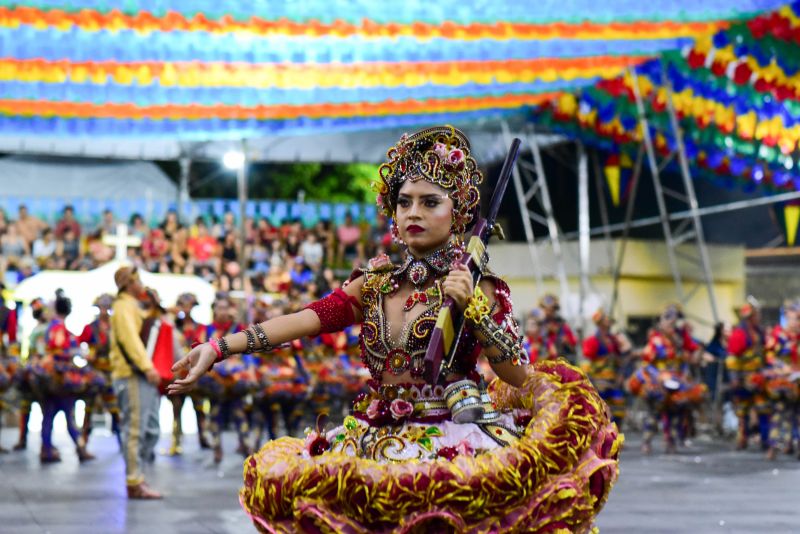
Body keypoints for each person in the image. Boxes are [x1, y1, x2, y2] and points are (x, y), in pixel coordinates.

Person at [170, 126, 620, 532]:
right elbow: (306, 320)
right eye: (404, 201)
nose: (413, 213)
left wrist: (475, 309)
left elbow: (518, 376)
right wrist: (218, 347)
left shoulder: (480, 285)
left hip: (456, 440)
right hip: (372, 438)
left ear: (458, 213)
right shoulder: (376, 282)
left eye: (430, 202)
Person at [110, 266, 162, 499]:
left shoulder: (133, 307)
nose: (141, 284)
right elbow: (130, 340)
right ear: (129, 284)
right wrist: (147, 367)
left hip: (139, 375)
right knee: (135, 430)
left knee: (149, 429)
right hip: (131, 375)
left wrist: (155, 305)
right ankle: (134, 481)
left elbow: (151, 328)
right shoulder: (122, 307)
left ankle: (137, 475)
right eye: (138, 281)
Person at [35, 290, 95, 463]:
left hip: (52, 375)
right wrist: (77, 353)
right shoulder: (59, 328)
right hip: (60, 377)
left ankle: (48, 448)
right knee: (65, 414)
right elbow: (61, 349)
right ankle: (78, 448)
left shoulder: (53, 327)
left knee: (50, 415)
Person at [77, 294, 122, 449]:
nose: (105, 311)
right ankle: (84, 441)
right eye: (102, 307)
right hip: (95, 371)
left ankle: (122, 441)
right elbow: (77, 345)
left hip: (112, 372)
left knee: (114, 407)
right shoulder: (90, 327)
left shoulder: (116, 327)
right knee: (88, 406)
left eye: (107, 307)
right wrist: (87, 355)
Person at [726, 299, 770, 452]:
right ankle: (742, 438)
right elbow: (732, 358)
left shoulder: (760, 332)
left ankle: (766, 439)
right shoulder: (739, 334)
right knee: (742, 410)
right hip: (743, 378)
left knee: (763, 409)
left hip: (759, 377)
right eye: (757, 314)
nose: (759, 317)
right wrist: (734, 378)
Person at [763, 299, 800, 460]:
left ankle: (795, 444)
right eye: (795, 318)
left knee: (797, 415)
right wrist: (782, 368)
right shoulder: (778, 335)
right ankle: (773, 446)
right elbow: (769, 356)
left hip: (797, 379)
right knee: (779, 412)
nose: (796, 322)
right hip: (782, 380)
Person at [582, 308, 631, 429]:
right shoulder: (592, 340)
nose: (609, 322)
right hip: (598, 380)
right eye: (606, 320)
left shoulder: (614, 339)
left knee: (618, 409)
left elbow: (625, 353)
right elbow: (587, 359)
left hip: (614, 379)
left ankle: (615, 437)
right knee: (598, 410)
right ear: (600, 323)